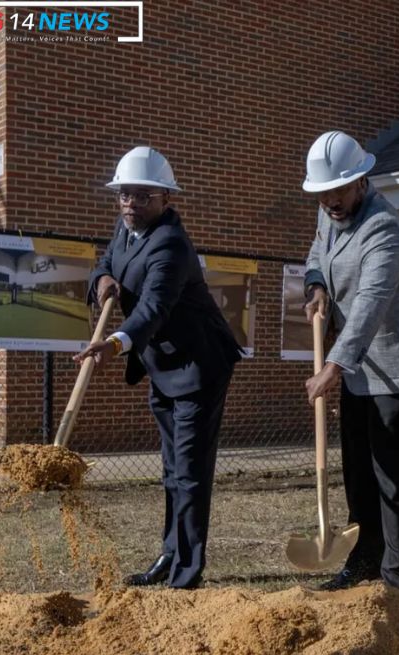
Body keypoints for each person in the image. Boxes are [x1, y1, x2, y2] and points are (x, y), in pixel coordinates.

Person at [76, 146, 242, 589]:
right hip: (162, 365)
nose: (130, 203)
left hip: (198, 365)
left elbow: (154, 307)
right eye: (124, 194)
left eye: (142, 196)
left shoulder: (170, 242)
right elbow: (108, 262)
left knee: (188, 470)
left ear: (166, 199)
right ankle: (170, 555)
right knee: (171, 469)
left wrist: (114, 343)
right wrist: (101, 281)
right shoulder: (126, 226)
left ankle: (187, 572)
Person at [302, 130, 399, 593]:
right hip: (360, 365)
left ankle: (398, 578)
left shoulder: (384, 226)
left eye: (339, 191)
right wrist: (316, 285)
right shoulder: (328, 213)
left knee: (394, 478)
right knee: (359, 473)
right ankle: (361, 564)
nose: (331, 201)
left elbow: (371, 301)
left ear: (361, 181)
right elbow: (318, 254)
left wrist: (334, 365)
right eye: (323, 193)